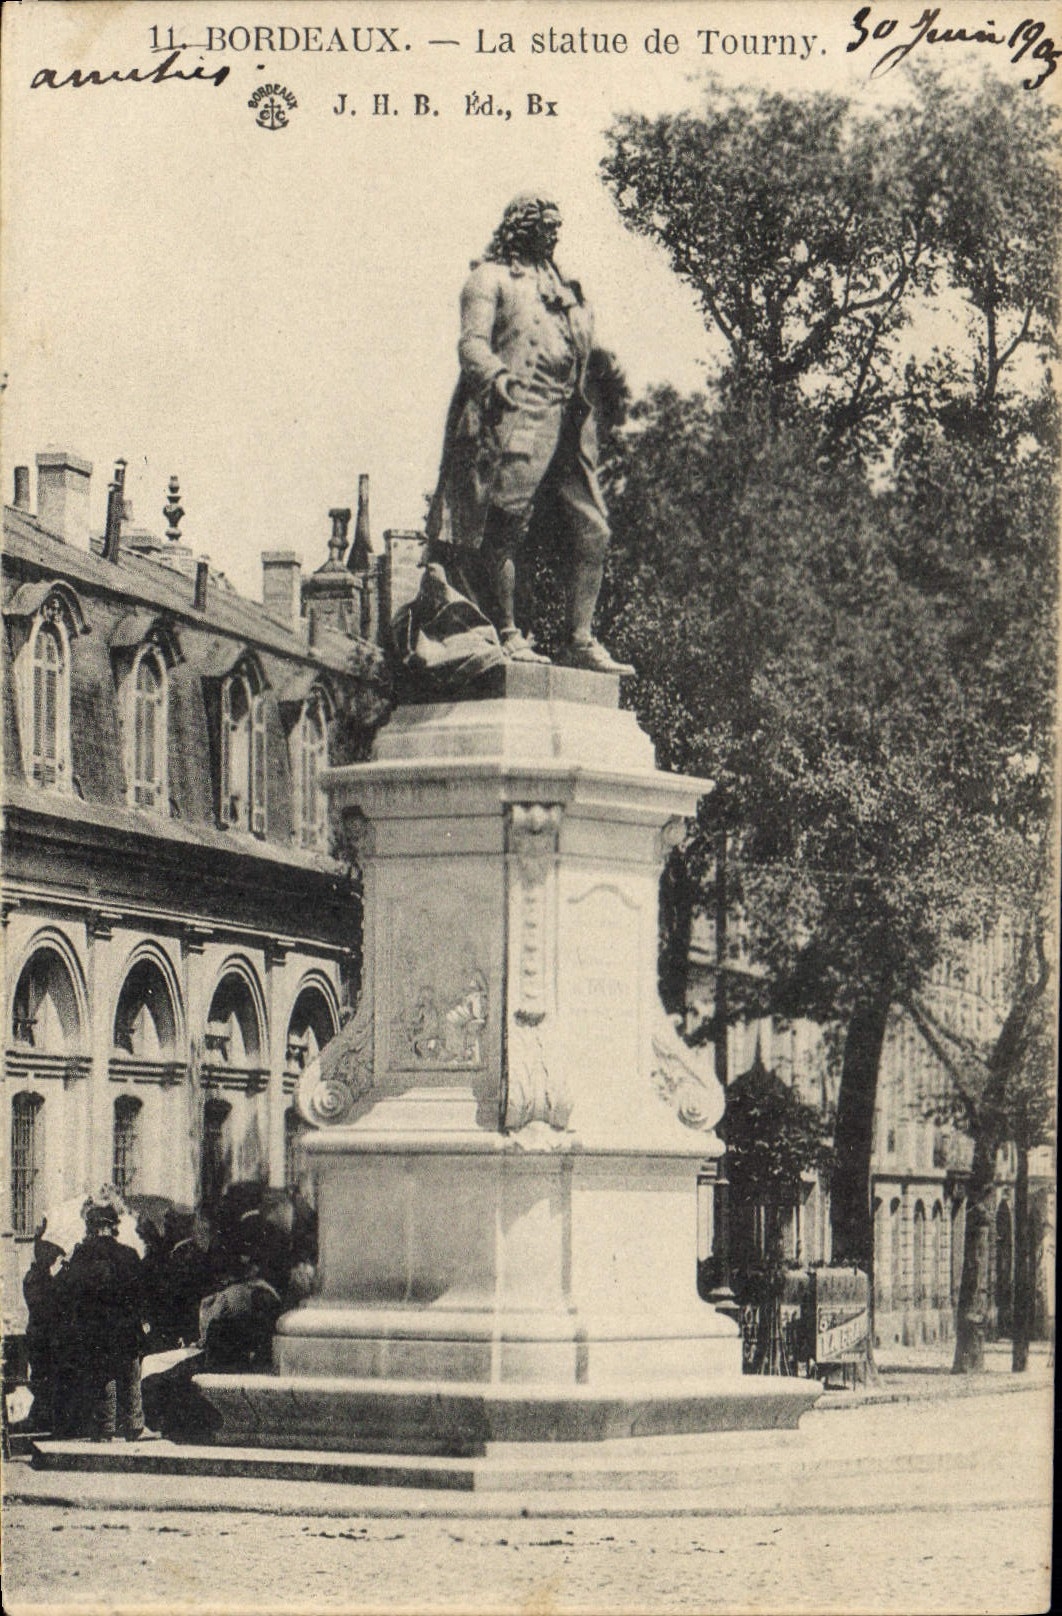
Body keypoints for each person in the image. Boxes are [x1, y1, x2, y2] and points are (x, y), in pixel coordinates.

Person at [427, 191, 634, 675]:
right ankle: (506, 632)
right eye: (545, 226)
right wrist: (495, 377)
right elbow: (471, 344)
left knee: (594, 528)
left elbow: (582, 354)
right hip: (516, 414)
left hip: (567, 420)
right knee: (504, 524)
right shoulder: (488, 279)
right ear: (520, 226)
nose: (553, 235)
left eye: (557, 228)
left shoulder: (567, 288)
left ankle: (579, 639)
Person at [57, 1189, 156, 1441]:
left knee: (104, 1377)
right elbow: (142, 1292)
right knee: (131, 1375)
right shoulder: (129, 1255)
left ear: (91, 1227)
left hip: (95, 1330)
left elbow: (67, 1292)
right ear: (114, 1227)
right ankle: (134, 1425)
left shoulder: (81, 1256)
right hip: (126, 1328)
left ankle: (106, 1427)